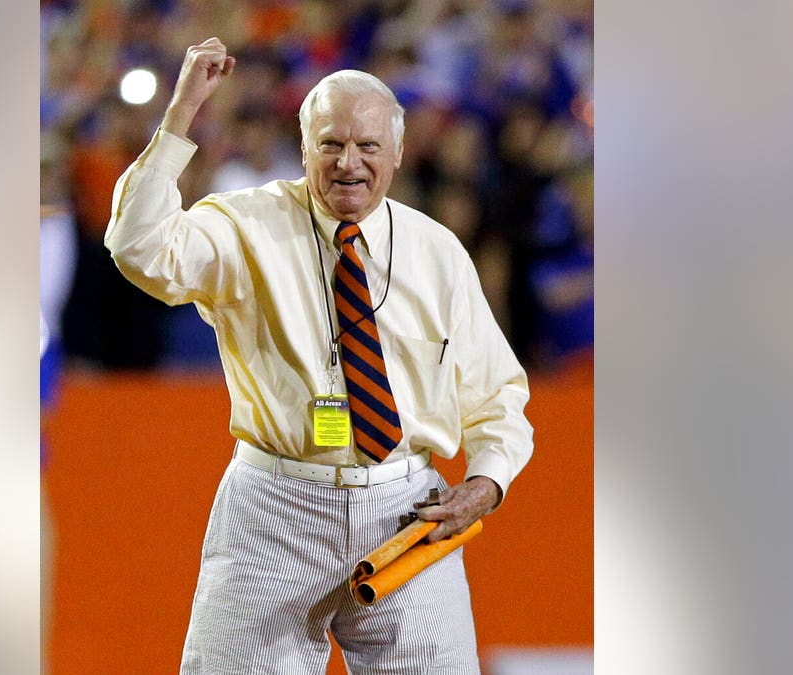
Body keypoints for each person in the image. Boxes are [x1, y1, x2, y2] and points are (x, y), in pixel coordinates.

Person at [105, 37, 533, 674]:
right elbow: (140, 247)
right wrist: (180, 116)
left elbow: (496, 390)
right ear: (303, 148)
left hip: (406, 507)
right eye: (330, 144)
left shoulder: (436, 250)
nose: (348, 163)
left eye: (367, 146)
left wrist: (488, 481)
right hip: (275, 509)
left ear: (398, 153)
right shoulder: (245, 225)